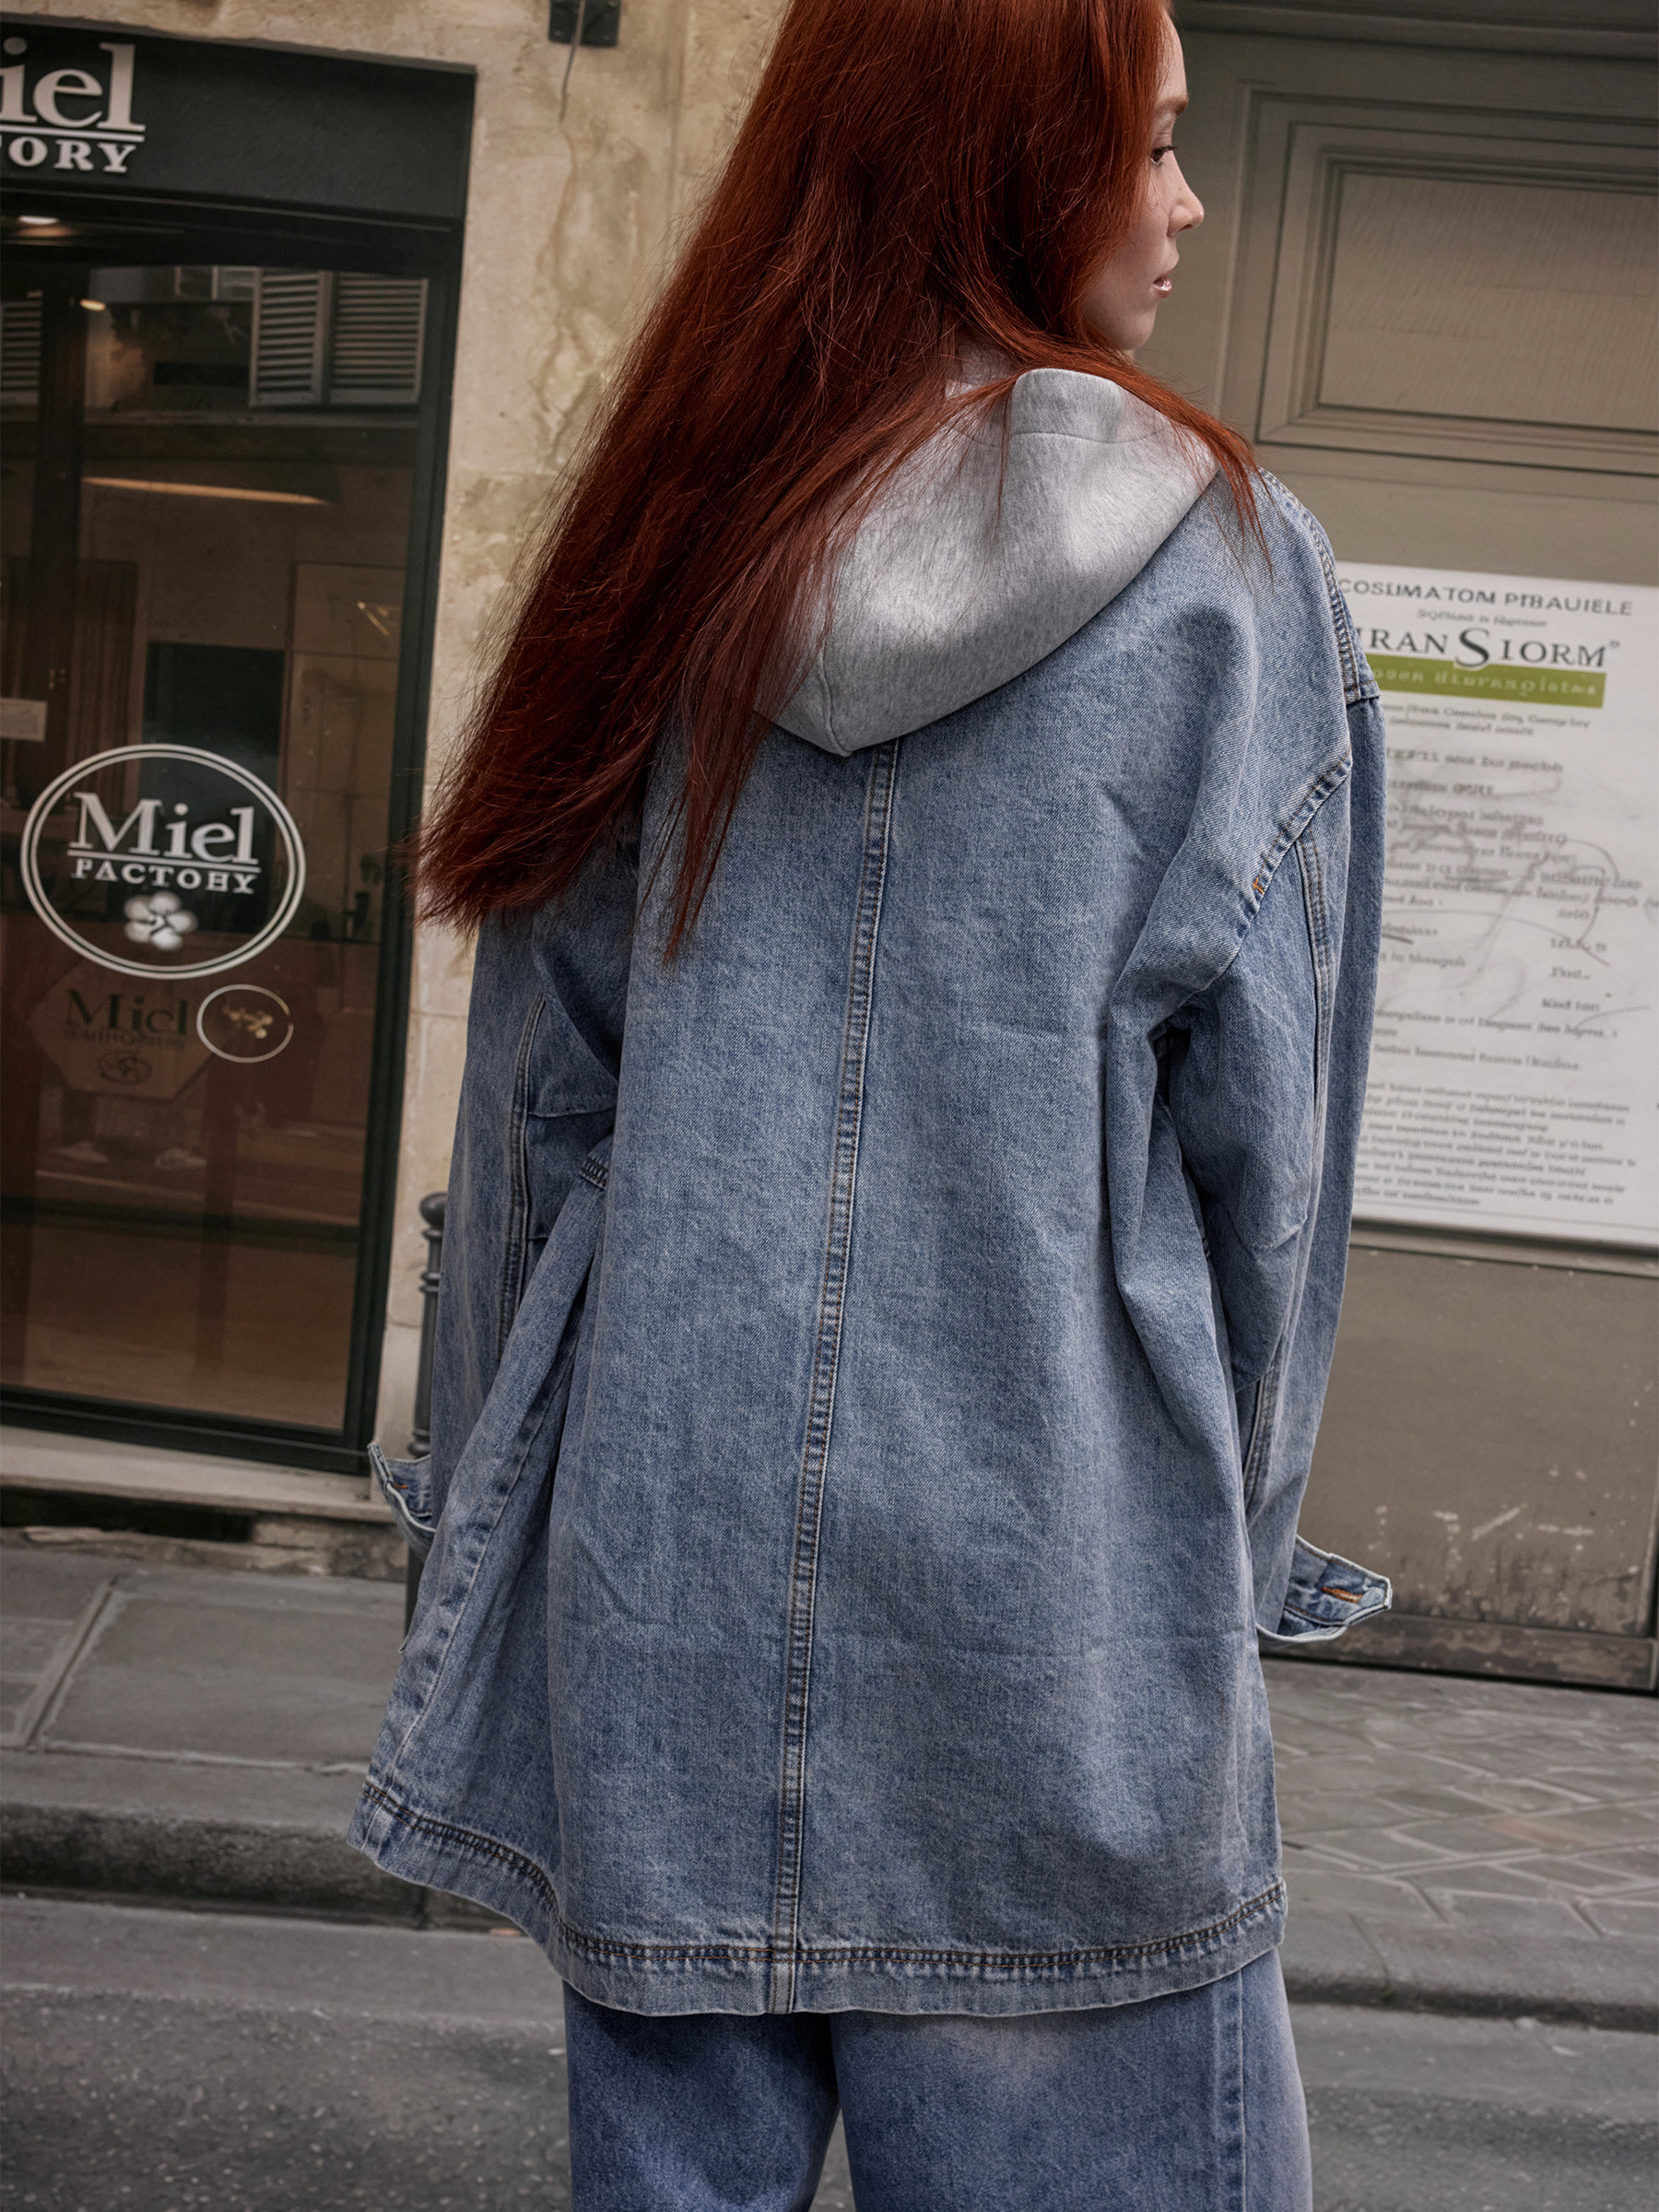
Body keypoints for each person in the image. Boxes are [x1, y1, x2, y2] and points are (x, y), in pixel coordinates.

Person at [351, 0, 1391, 2202]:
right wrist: (1220, 1568)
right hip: (1054, 1639)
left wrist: (475, 1532)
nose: (1191, 203)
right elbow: (1271, 1175)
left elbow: (530, 1132)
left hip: (662, 1609)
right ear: (1008, 154)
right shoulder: (1229, 573)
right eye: (1152, 143)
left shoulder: (663, 544)